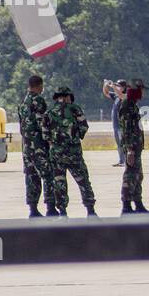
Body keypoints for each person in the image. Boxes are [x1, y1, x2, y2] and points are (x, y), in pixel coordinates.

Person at [45, 85, 98, 217]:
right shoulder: (75, 109)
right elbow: (84, 126)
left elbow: (45, 135)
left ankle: (62, 212)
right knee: (83, 181)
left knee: (59, 182)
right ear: (68, 97)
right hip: (74, 153)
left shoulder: (49, 112)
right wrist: (75, 137)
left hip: (57, 155)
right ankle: (90, 210)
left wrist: (56, 143)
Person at [18, 75, 57, 218]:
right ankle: (51, 208)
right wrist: (50, 141)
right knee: (48, 175)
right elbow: (43, 124)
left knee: (31, 176)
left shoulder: (23, 102)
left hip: (26, 146)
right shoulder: (38, 101)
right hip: (38, 145)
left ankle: (33, 209)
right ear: (39, 86)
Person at [119, 79, 149, 216]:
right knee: (130, 176)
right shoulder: (127, 105)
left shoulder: (132, 105)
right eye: (141, 89)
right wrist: (130, 150)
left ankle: (138, 204)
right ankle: (126, 207)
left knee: (138, 176)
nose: (143, 92)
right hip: (131, 148)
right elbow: (125, 129)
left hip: (135, 147)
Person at [104, 79, 128, 167]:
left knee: (124, 143)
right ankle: (121, 160)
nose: (117, 87)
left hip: (123, 125)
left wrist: (113, 86)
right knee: (119, 144)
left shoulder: (126, 95)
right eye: (116, 85)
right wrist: (105, 85)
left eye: (119, 86)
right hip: (116, 124)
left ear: (124, 87)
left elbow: (121, 95)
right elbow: (106, 93)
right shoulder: (116, 96)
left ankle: (126, 161)